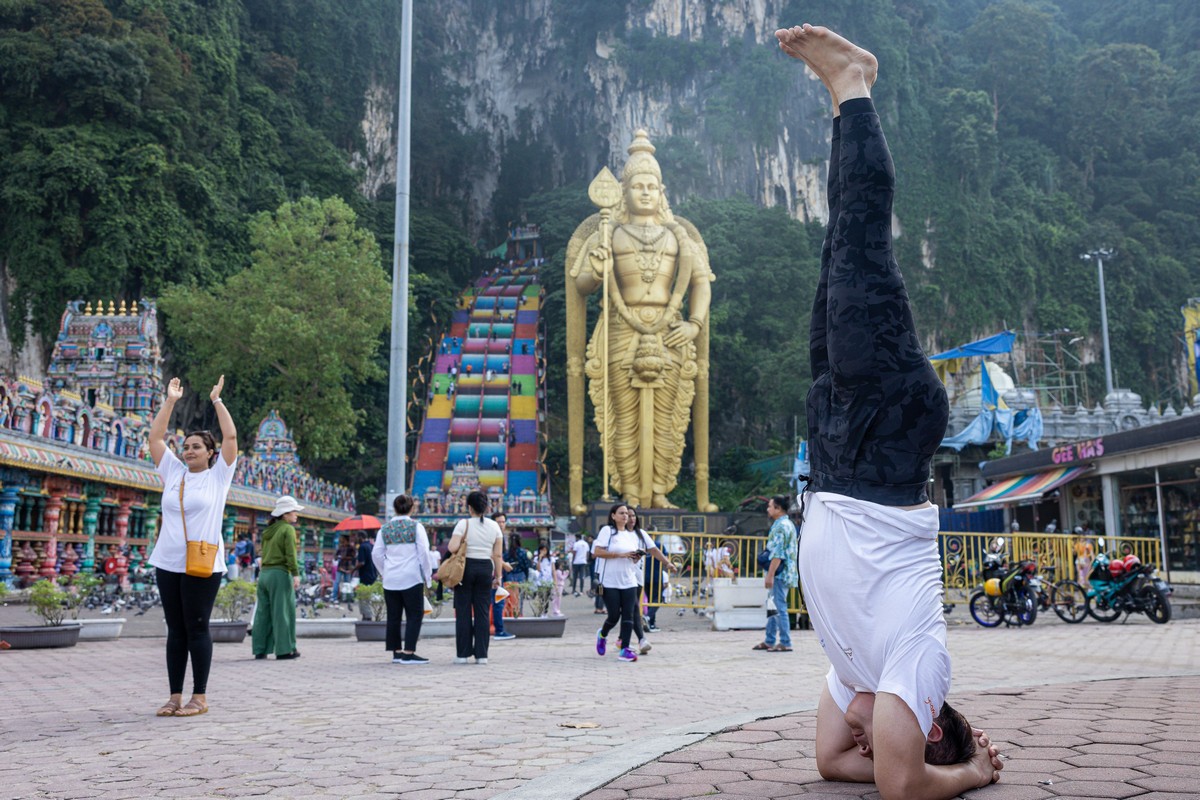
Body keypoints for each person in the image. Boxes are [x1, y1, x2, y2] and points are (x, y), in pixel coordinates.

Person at [776, 24, 1002, 798]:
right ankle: (856, 82)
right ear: (930, 723)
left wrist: (869, 746)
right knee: (862, 244)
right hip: (885, 435)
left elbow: (830, 765)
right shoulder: (917, 666)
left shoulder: (853, 678)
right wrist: (973, 771)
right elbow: (902, 791)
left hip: (842, 452)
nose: (860, 740)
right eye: (888, 739)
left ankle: (845, 111)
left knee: (841, 242)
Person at [565, 129, 716, 511]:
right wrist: (597, 270)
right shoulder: (608, 233)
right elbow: (580, 284)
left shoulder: (678, 236)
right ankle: (630, 492)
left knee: (668, 418)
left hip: (670, 332)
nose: (645, 192)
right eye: (637, 186)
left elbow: (701, 282)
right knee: (622, 416)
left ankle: (661, 490)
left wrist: (694, 324)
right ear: (623, 192)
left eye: (652, 186)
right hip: (620, 330)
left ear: (661, 191)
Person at [147, 375, 238, 717]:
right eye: (185, 446)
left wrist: (217, 401)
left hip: (202, 563)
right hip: (168, 561)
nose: (188, 451)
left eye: (196, 447)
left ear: (211, 453)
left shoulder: (219, 477)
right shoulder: (173, 472)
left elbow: (230, 436)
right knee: (175, 629)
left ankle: (199, 697)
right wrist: (170, 400)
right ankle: (174, 696)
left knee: (197, 626)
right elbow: (156, 438)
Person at [372, 494, 433, 665]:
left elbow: (376, 554)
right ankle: (409, 652)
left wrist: (385, 571)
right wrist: (427, 577)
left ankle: (396, 652)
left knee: (393, 616)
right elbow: (424, 553)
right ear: (412, 508)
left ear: (394, 508)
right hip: (411, 577)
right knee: (414, 615)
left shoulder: (384, 529)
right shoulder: (416, 527)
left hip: (391, 579)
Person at [448, 490, 504, 664]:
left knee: (463, 611)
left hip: (465, 568)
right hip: (485, 568)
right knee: (482, 612)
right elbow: (498, 555)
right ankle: (482, 655)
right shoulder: (494, 526)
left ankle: (463, 654)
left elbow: (452, 547)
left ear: (469, 507)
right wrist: (498, 576)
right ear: (486, 507)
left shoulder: (463, 524)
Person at [251, 495, 303, 661]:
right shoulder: (287, 529)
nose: (296, 514)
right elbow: (290, 554)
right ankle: (284, 650)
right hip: (280, 574)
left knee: (262, 612)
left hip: (264, 575)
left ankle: (260, 649)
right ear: (286, 513)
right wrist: (295, 573)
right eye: (294, 511)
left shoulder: (268, 530)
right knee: (283, 612)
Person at [593, 504, 646, 662]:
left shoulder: (631, 535)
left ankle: (625, 649)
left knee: (628, 615)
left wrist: (635, 557)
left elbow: (631, 559)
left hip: (629, 580)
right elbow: (597, 552)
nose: (625, 516)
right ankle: (602, 634)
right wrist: (620, 555)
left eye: (627, 514)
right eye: (621, 513)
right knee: (614, 616)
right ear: (613, 516)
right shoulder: (607, 531)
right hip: (610, 582)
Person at [625, 508, 675, 655]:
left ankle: (624, 639)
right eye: (628, 515)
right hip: (622, 579)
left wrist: (667, 563)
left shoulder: (641, 535)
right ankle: (641, 638)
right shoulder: (616, 535)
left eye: (633, 515)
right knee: (631, 610)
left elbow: (654, 550)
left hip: (639, 578)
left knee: (631, 610)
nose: (631, 518)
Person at [753, 494, 798, 653]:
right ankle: (770, 640)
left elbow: (778, 554)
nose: (768, 509)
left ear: (778, 509)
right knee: (772, 606)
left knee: (779, 607)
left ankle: (785, 642)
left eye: (770, 506)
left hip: (779, 573)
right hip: (785, 572)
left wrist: (770, 575)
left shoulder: (780, 527)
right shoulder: (787, 524)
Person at [356, 531, 378, 620]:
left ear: (361, 537)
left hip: (365, 575)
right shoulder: (372, 546)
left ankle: (367, 616)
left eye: (357, 537)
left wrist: (353, 569)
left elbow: (361, 562)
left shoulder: (362, 547)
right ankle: (368, 615)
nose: (356, 539)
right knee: (368, 596)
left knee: (364, 596)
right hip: (373, 575)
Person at [334, 534, 356, 602]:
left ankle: (347, 598)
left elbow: (353, 557)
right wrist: (336, 557)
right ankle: (334, 597)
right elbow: (336, 556)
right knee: (337, 582)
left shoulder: (351, 548)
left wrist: (345, 558)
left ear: (345, 540)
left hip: (347, 567)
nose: (341, 540)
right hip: (340, 567)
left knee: (347, 583)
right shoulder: (340, 547)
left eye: (342, 539)